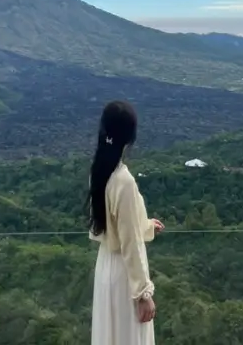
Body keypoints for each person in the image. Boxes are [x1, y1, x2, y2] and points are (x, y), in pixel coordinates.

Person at [87, 100, 164, 345]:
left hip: (105, 267)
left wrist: (146, 225)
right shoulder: (125, 181)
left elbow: (114, 224)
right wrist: (143, 293)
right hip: (124, 276)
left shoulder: (99, 170)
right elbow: (129, 242)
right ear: (130, 137)